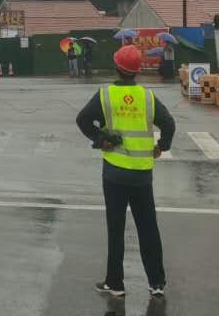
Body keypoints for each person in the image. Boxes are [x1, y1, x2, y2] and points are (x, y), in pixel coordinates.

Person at [74, 44, 174, 299]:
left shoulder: (105, 95)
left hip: (115, 174)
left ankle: (115, 283)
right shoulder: (147, 97)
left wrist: (100, 138)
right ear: (137, 70)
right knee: (148, 228)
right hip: (142, 175)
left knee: (116, 229)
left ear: (116, 67)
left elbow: (82, 120)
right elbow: (169, 124)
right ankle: (157, 282)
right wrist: (162, 146)